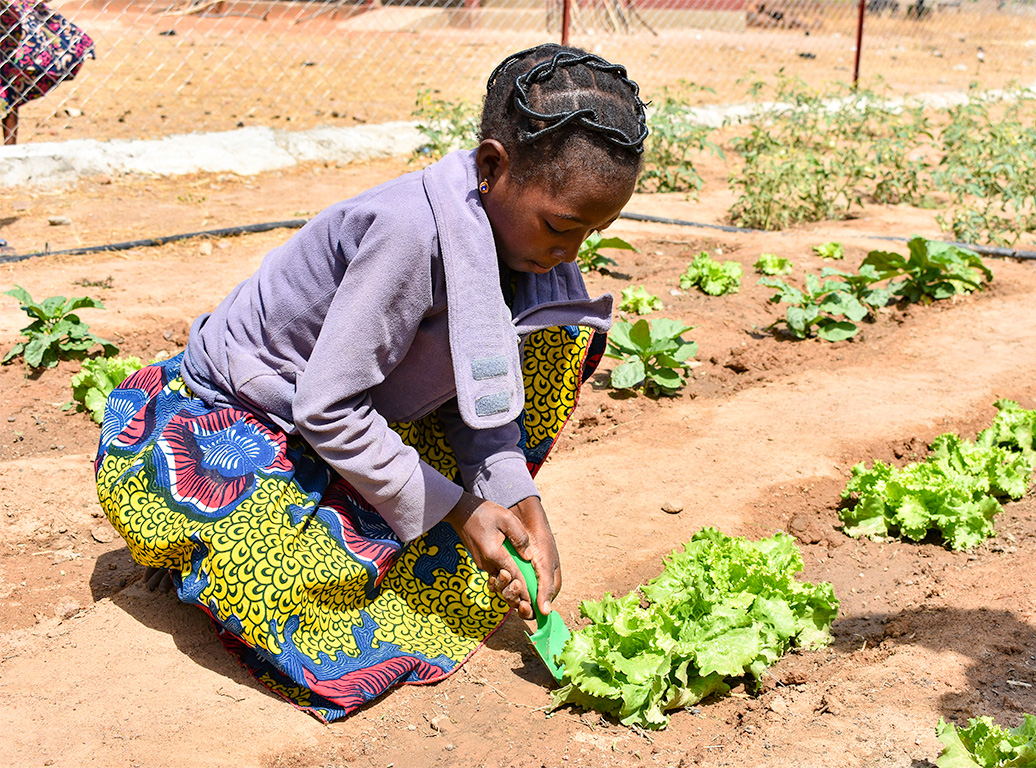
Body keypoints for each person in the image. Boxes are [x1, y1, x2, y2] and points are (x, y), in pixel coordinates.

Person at [94, 43, 647, 722]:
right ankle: (193, 550)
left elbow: (485, 390)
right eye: (564, 226)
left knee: (556, 326)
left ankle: (390, 513)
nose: (573, 250)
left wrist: (516, 493)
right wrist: (462, 510)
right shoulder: (407, 236)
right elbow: (326, 411)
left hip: (361, 409)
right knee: (283, 583)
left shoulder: (531, 248)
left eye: (595, 231)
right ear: (492, 167)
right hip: (232, 417)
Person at [1, 0, 95, 144]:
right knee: (7, 79)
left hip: (10, 18)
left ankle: (11, 151)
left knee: (8, 78)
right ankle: (11, 148)